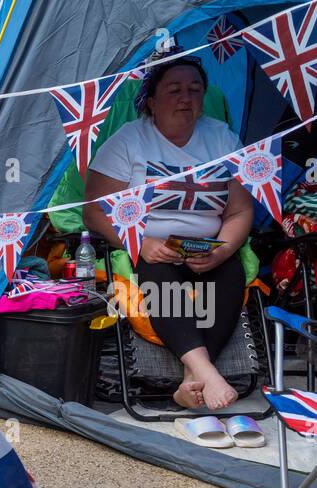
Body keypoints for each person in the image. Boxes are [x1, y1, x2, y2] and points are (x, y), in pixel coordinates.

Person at [84, 56, 253, 411]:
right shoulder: (128, 142)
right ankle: (207, 373)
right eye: (174, 90)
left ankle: (192, 381)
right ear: (151, 101)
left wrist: (221, 250)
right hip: (148, 245)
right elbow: (94, 212)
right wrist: (140, 244)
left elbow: (239, 210)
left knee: (231, 270)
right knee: (158, 272)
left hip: (206, 246)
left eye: (195, 90)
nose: (186, 97)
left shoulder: (221, 138)